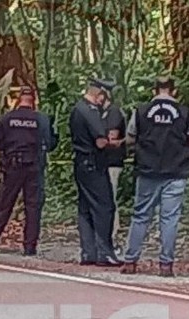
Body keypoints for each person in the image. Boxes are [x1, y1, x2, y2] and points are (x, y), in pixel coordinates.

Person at [121, 76, 189, 277]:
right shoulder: (185, 112)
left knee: (141, 215)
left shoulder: (140, 111)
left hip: (147, 170)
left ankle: (131, 261)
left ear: (154, 91)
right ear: (174, 91)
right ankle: (166, 265)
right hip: (176, 172)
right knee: (169, 218)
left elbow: (130, 138)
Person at [0, 87, 56, 256]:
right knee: (33, 207)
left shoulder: (7, 118)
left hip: (12, 167)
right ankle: (30, 247)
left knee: (4, 205)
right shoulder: (42, 119)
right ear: (34, 100)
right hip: (34, 168)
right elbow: (51, 143)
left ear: (18, 99)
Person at [70, 77, 124, 266]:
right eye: (103, 96)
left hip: (81, 164)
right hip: (94, 165)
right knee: (104, 207)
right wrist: (116, 144)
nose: (103, 100)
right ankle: (104, 252)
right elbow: (100, 141)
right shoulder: (90, 111)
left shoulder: (77, 109)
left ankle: (88, 252)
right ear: (98, 94)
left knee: (85, 208)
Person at [101, 87, 127, 247]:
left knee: (111, 198)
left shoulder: (114, 113)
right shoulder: (104, 113)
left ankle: (113, 230)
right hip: (105, 162)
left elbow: (112, 138)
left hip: (112, 162)